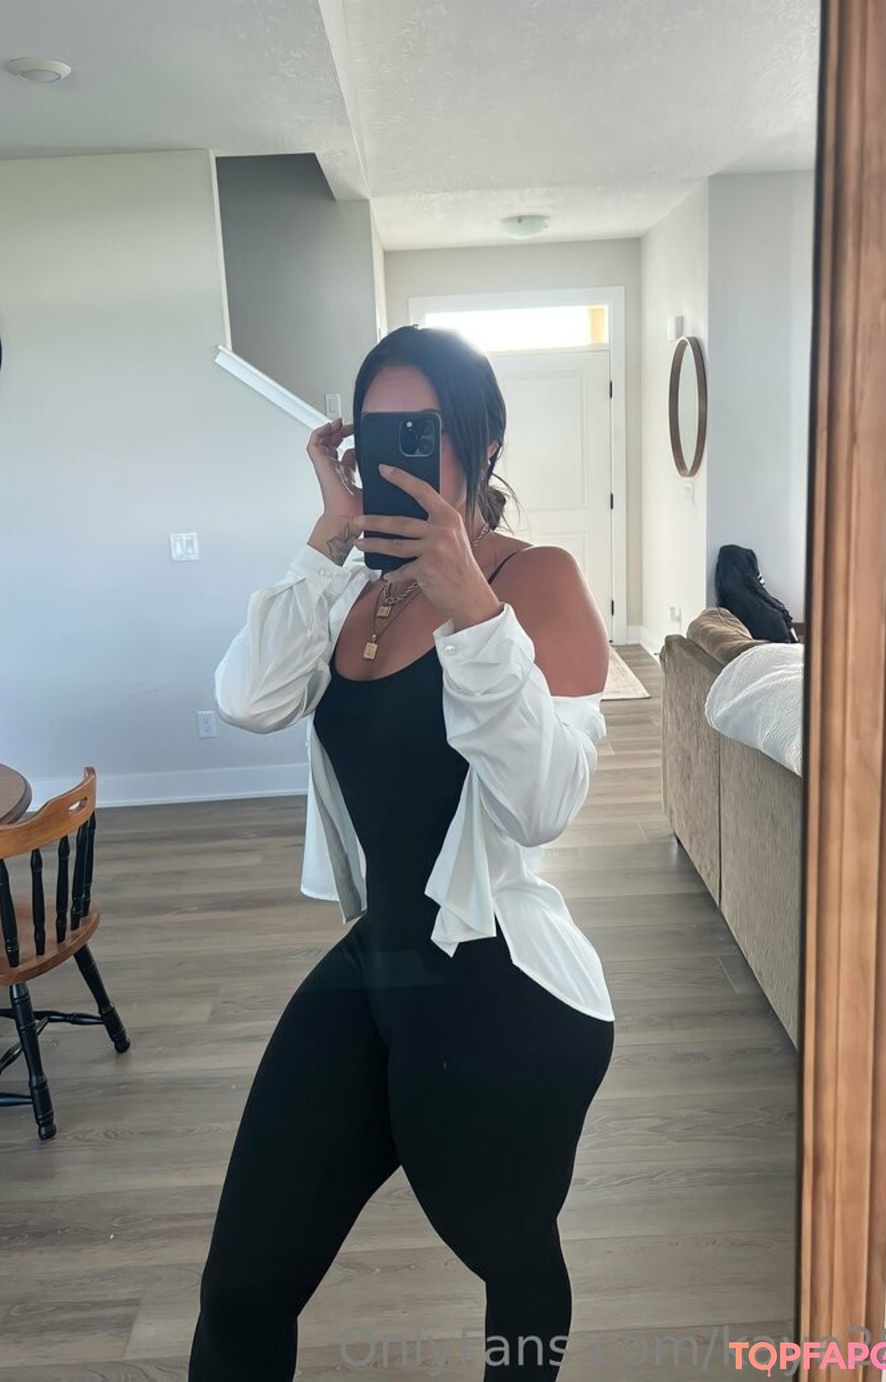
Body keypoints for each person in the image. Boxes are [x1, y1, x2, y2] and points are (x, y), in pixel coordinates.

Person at [189, 326, 616, 1381]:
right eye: (378, 436)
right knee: (241, 1286)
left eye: (421, 433)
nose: (397, 458)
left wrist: (476, 611)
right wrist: (328, 536)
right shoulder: (354, 589)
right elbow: (248, 698)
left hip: (502, 989)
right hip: (376, 962)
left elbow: (542, 804)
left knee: (510, 1256)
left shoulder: (538, 581)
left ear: (482, 444)